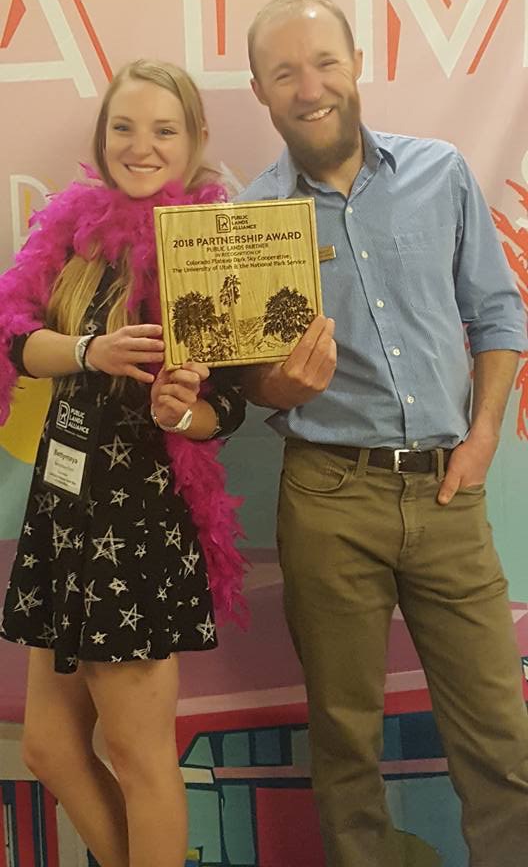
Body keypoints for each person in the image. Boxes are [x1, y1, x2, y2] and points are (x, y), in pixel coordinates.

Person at [237, 0, 528, 867]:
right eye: (285, 72)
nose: (310, 86)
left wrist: (481, 439)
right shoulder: (250, 222)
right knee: (344, 738)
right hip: (327, 498)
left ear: (356, 61)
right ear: (259, 90)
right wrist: (273, 385)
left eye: (324, 61)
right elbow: (243, 385)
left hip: (448, 493)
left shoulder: (440, 173)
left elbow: (499, 310)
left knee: (500, 738)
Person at [0, 60, 246, 867]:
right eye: (124, 128)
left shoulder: (210, 246)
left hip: (135, 533)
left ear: (195, 140)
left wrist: (184, 408)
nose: (141, 146)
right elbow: (14, 339)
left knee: (141, 758)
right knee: (48, 747)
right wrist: (87, 349)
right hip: (62, 515)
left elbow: (230, 408)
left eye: (163, 130)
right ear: (102, 138)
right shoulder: (72, 233)